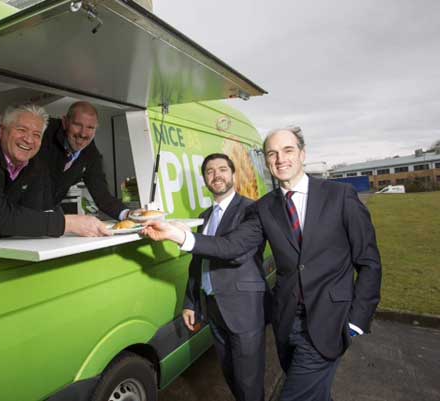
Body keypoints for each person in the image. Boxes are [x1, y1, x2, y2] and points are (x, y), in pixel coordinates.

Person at [143, 127, 382, 401]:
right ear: (266, 161)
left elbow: (369, 261)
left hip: (331, 320)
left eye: (288, 150)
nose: (280, 159)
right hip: (288, 322)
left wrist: (357, 321)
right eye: (272, 153)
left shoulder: (340, 195)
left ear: (303, 154)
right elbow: (232, 246)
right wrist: (178, 235)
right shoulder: (264, 207)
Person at [0, 103, 110, 240]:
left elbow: (35, 212)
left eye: (36, 135)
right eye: (21, 130)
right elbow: (4, 217)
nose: (29, 140)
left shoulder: (34, 162)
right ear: (2, 131)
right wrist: (68, 223)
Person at [182, 153, 268, 401]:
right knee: (230, 374)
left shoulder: (252, 210)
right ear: (205, 179)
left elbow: (235, 251)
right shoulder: (205, 216)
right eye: (210, 171)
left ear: (233, 174)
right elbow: (197, 261)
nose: (216, 175)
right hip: (214, 308)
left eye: (222, 169)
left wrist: (182, 237)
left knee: (249, 381)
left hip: (244, 310)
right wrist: (190, 302)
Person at [40, 101, 134, 220]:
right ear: (64, 122)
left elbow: (102, 196)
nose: (83, 133)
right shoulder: (44, 133)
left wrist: (129, 215)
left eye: (90, 127)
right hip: (18, 212)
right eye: (77, 125)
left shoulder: (90, 153)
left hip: (47, 216)